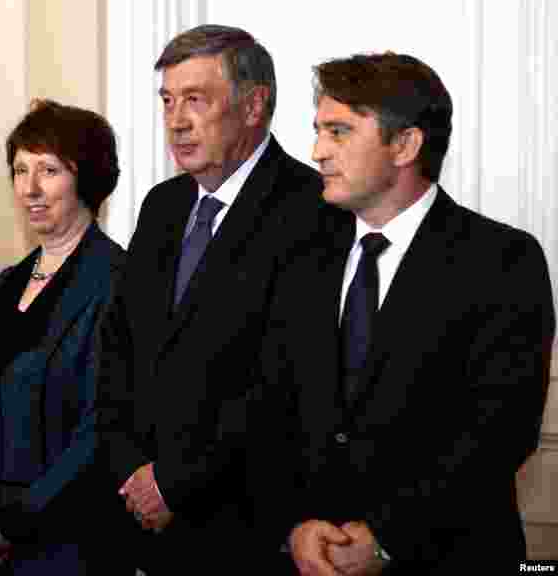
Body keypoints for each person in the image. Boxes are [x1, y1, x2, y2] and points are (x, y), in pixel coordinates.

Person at [257, 52, 555, 574]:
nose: (317, 151)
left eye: (339, 132)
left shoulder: (502, 260)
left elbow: (499, 432)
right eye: (318, 131)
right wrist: (295, 526)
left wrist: (386, 538)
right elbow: (269, 408)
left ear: (405, 144)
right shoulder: (301, 258)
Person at [95, 24, 325, 572]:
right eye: (169, 101)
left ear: (252, 106)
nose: (176, 121)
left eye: (196, 100)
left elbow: (283, 376)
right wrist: (131, 468)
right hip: (139, 519)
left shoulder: (312, 210)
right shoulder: (163, 206)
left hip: (243, 528)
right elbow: (118, 346)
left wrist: (174, 482)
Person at [0, 100, 134, 576]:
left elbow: (101, 429)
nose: (30, 188)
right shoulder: (1, 286)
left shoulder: (120, 282)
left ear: (86, 178)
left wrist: (17, 521)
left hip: (67, 546)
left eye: (49, 170)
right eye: (20, 170)